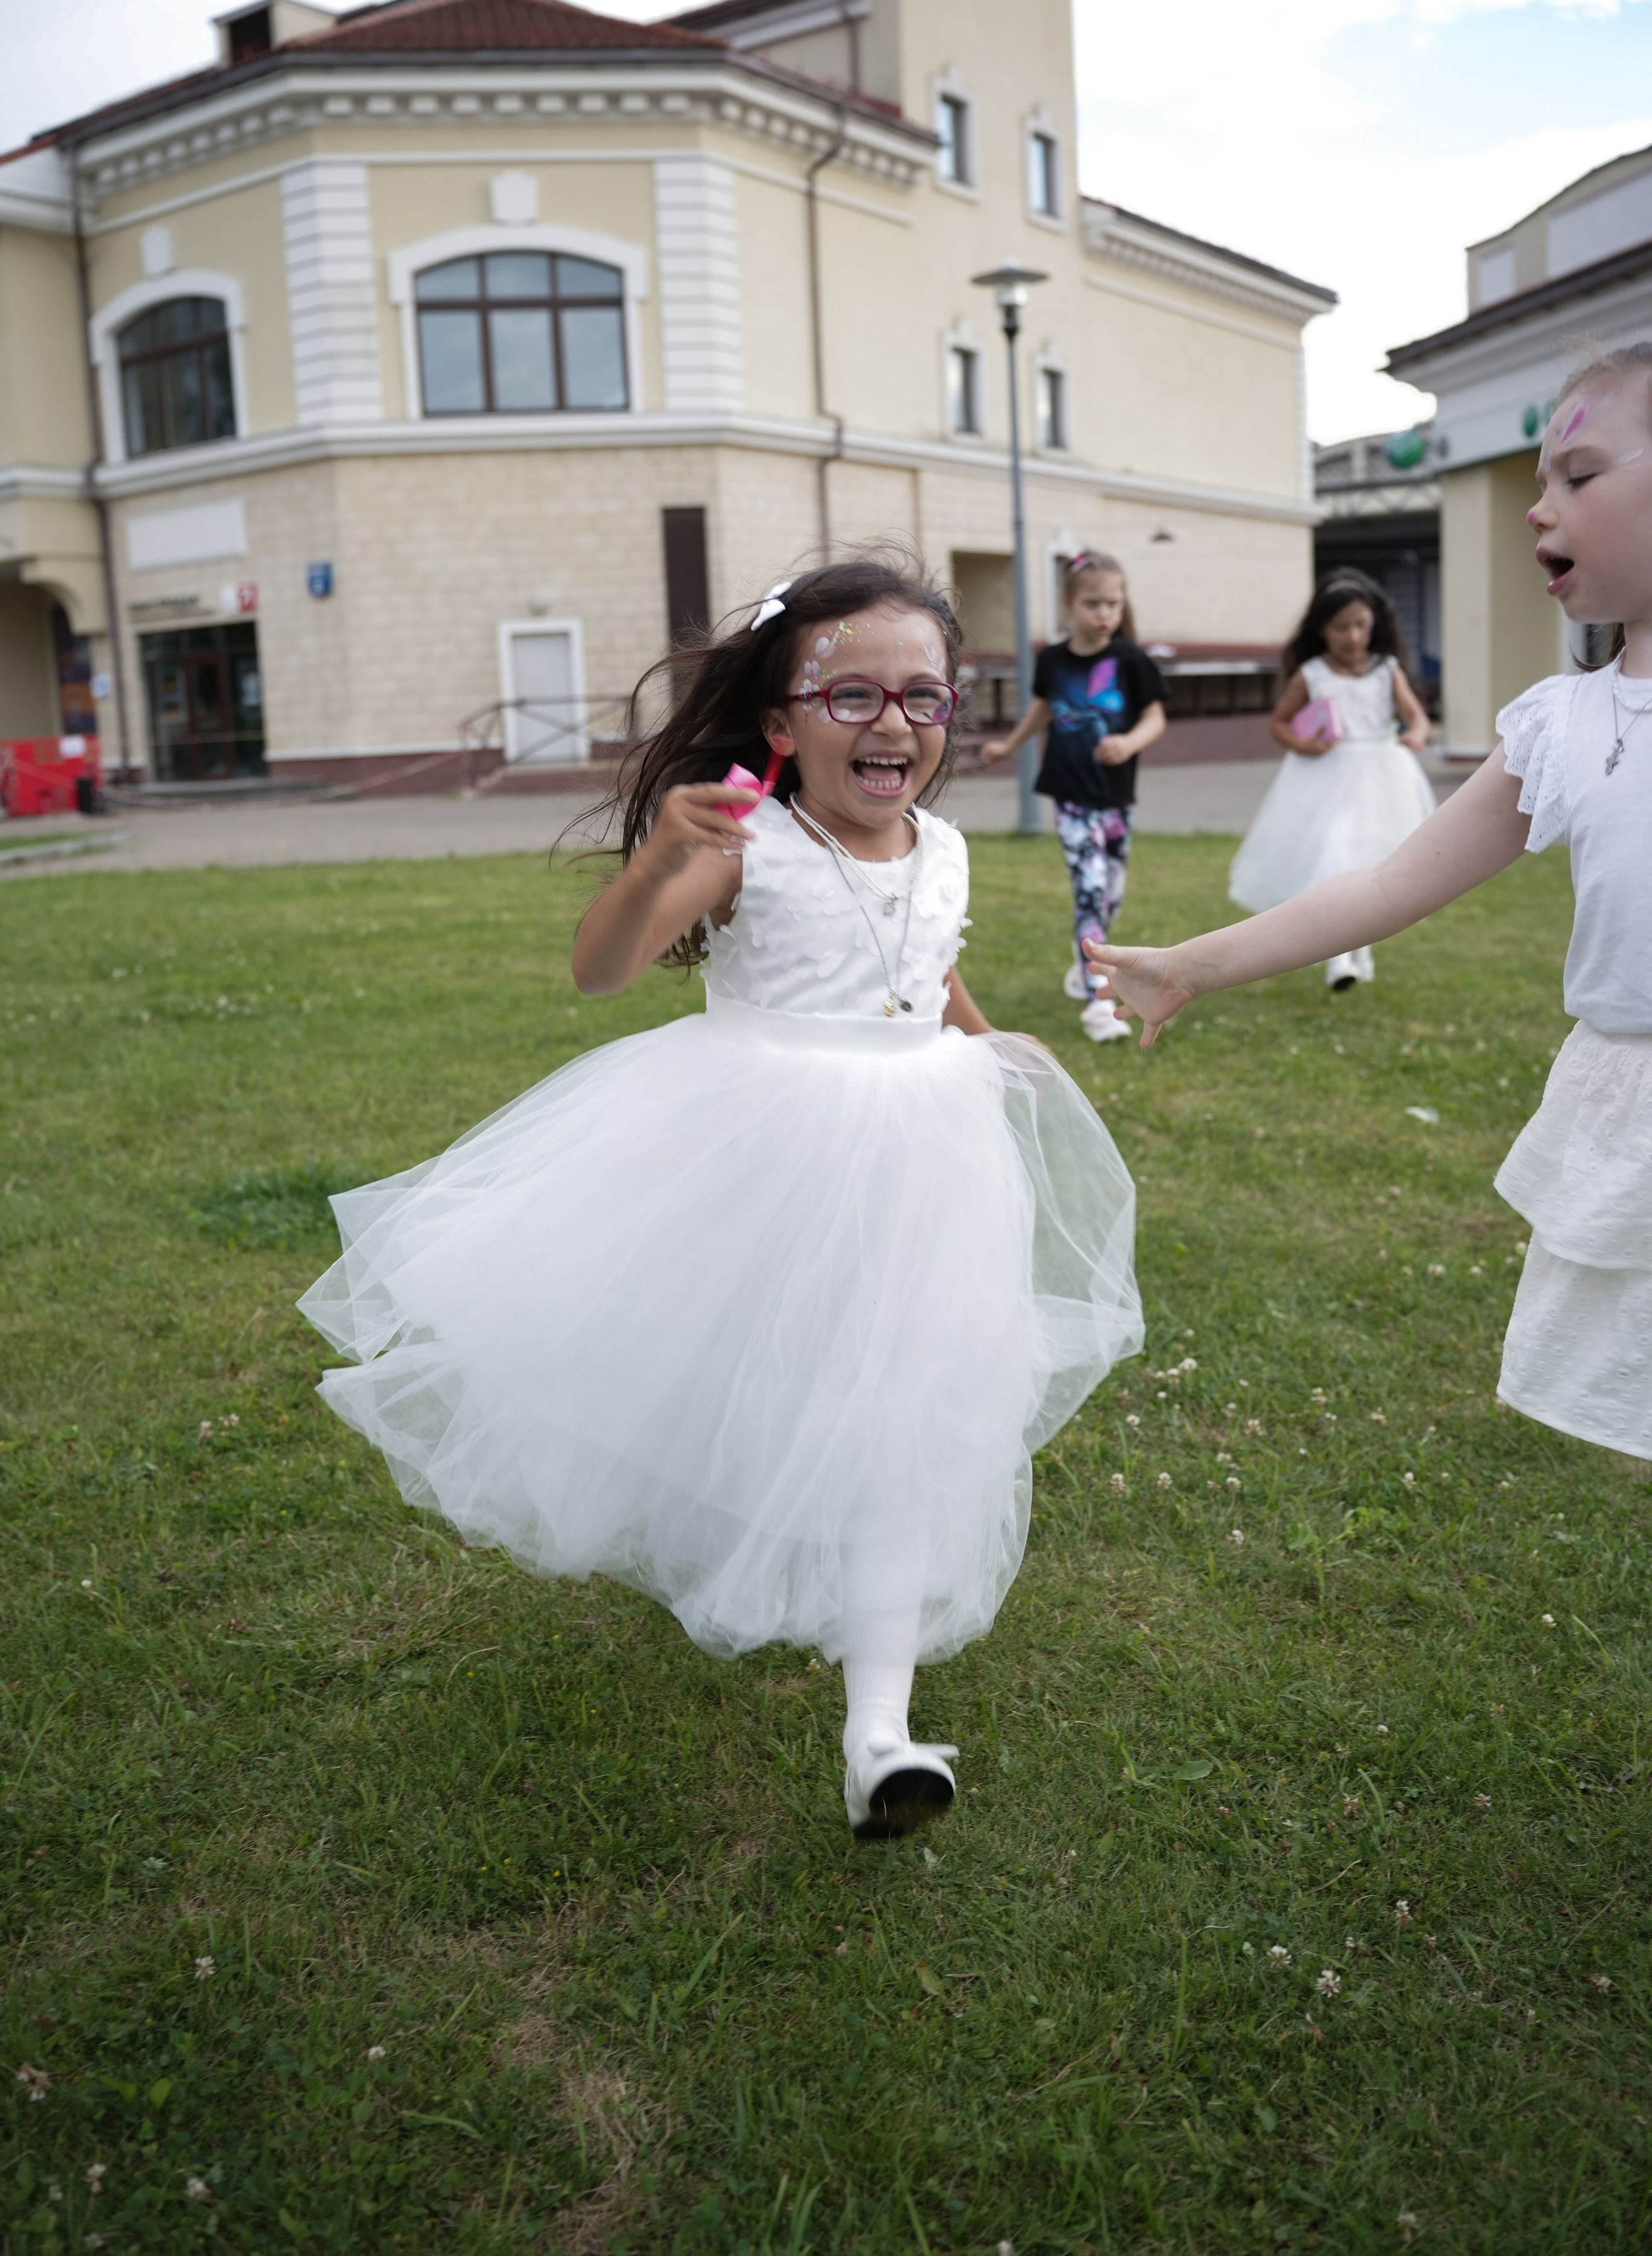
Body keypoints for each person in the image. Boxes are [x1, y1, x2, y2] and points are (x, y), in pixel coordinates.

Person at [299, 556, 1142, 1841]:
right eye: (849, 694)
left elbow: (921, 960)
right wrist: (651, 868)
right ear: (778, 722)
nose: (893, 723)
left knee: (897, 1420)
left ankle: (881, 1735)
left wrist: (980, 1038)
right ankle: (759, 1546)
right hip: (763, 1147)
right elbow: (603, 968)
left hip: (923, 1155)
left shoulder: (950, 846)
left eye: (924, 696)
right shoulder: (747, 845)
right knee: (754, 1389)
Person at [1090, 346, 1652, 1459]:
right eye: (1541, 480)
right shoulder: (1564, 725)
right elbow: (1393, 881)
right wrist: (1196, 963)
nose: (1539, 507)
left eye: (1579, 475)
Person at [982, 551, 1167, 1044]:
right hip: (1070, 796)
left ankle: (1084, 959)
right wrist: (1009, 744)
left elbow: (1155, 718)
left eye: (1113, 603)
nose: (1105, 613)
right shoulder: (1053, 660)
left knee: (1111, 894)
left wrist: (1129, 743)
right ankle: (1099, 1001)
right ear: (1069, 605)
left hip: (1116, 799)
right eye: (1093, 604)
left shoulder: (1131, 660)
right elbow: (1043, 708)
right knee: (1088, 889)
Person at [1229, 569, 1435, 991]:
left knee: (1372, 867)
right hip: (1327, 777)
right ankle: (1338, 958)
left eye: (1361, 625)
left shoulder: (1386, 669)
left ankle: (1361, 949)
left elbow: (1415, 715)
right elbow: (1280, 723)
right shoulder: (1312, 674)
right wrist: (1305, 746)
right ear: (1321, 629)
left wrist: (1414, 735)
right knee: (1334, 857)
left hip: (1382, 775)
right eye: (1341, 628)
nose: (1353, 636)